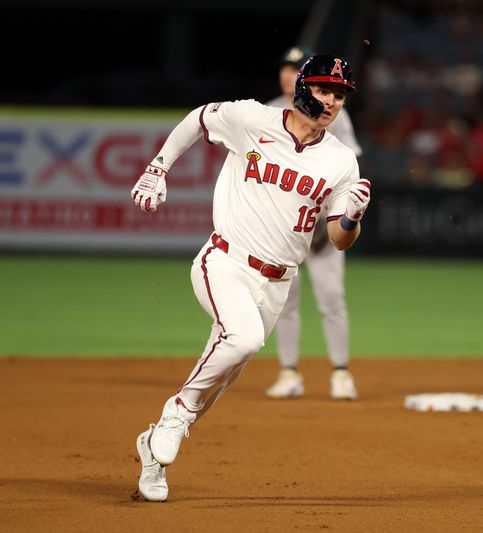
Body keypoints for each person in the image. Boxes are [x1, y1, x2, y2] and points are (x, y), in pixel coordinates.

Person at [130, 54, 371, 502]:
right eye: (323, 90)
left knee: (222, 376)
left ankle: (154, 455)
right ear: (302, 89)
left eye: (339, 94)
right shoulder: (252, 118)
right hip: (225, 260)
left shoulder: (341, 160)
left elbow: (338, 240)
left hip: (278, 283)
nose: (332, 101)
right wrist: (158, 166)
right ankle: (174, 412)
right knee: (242, 340)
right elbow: (198, 119)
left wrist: (353, 218)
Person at [264, 46, 363, 401]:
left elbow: (348, 168)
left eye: (295, 68)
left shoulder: (334, 112)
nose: (288, 74)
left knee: (331, 299)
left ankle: (340, 373)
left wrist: (329, 220)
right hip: (282, 228)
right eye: (285, 68)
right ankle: (288, 372)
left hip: (322, 224)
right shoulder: (270, 111)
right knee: (283, 301)